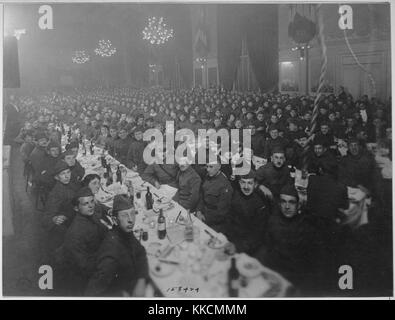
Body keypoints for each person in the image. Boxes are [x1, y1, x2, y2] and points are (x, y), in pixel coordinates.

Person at [255, 184, 324, 293]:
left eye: (291, 202)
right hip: (275, 274)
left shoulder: (306, 226)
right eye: (283, 201)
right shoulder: (273, 222)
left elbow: (312, 263)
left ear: (298, 205)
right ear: (279, 204)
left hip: (298, 279)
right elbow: (267, 248)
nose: (287, 206)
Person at [85, 195, 149, 297]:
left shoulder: (125, 232)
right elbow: (92, 292)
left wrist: (141, 280)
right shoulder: (111, 251)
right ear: (115, 220)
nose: (130, 220)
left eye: (132, 213)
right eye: (124, 215)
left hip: (133, 283)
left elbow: (140, 252)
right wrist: (120, 295)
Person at [58, 187, 109, 295]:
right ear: (76, 208)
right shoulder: (75, 233)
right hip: (87, 275)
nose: (91, 206)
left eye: (92, 201)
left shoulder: (90, 214)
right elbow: (85, 266)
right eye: (85, 204)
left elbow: (100, 228)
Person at [223, 170, 270, 255]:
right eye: (243, 182)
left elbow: (257, 235)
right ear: (239, 183)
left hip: (247, 247)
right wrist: (225, 237)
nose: (246, 187)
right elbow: (229, 218)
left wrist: (237, 246)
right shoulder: (236, 194)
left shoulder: (260, 204)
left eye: (250, 183)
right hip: (231, 238)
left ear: (255, 184)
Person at [42, 161, 81, 254]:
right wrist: (54, 219)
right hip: (70, 223)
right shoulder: (56, 194)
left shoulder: (70, 183)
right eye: (63, 174)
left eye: (68, 172)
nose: (67, 176)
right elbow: (45, 219)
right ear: (56, 177)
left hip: (75, 214)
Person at [196, 161, 233, 233]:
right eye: (207, 166)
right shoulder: (208, 176)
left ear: (219, 167)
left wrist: (204, 218)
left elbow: (222, 212)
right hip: (202, 213)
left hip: (214, 223)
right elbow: (202, 196)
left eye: (211, 167)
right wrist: (198, 211)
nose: (208, 169)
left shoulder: (225, 185)